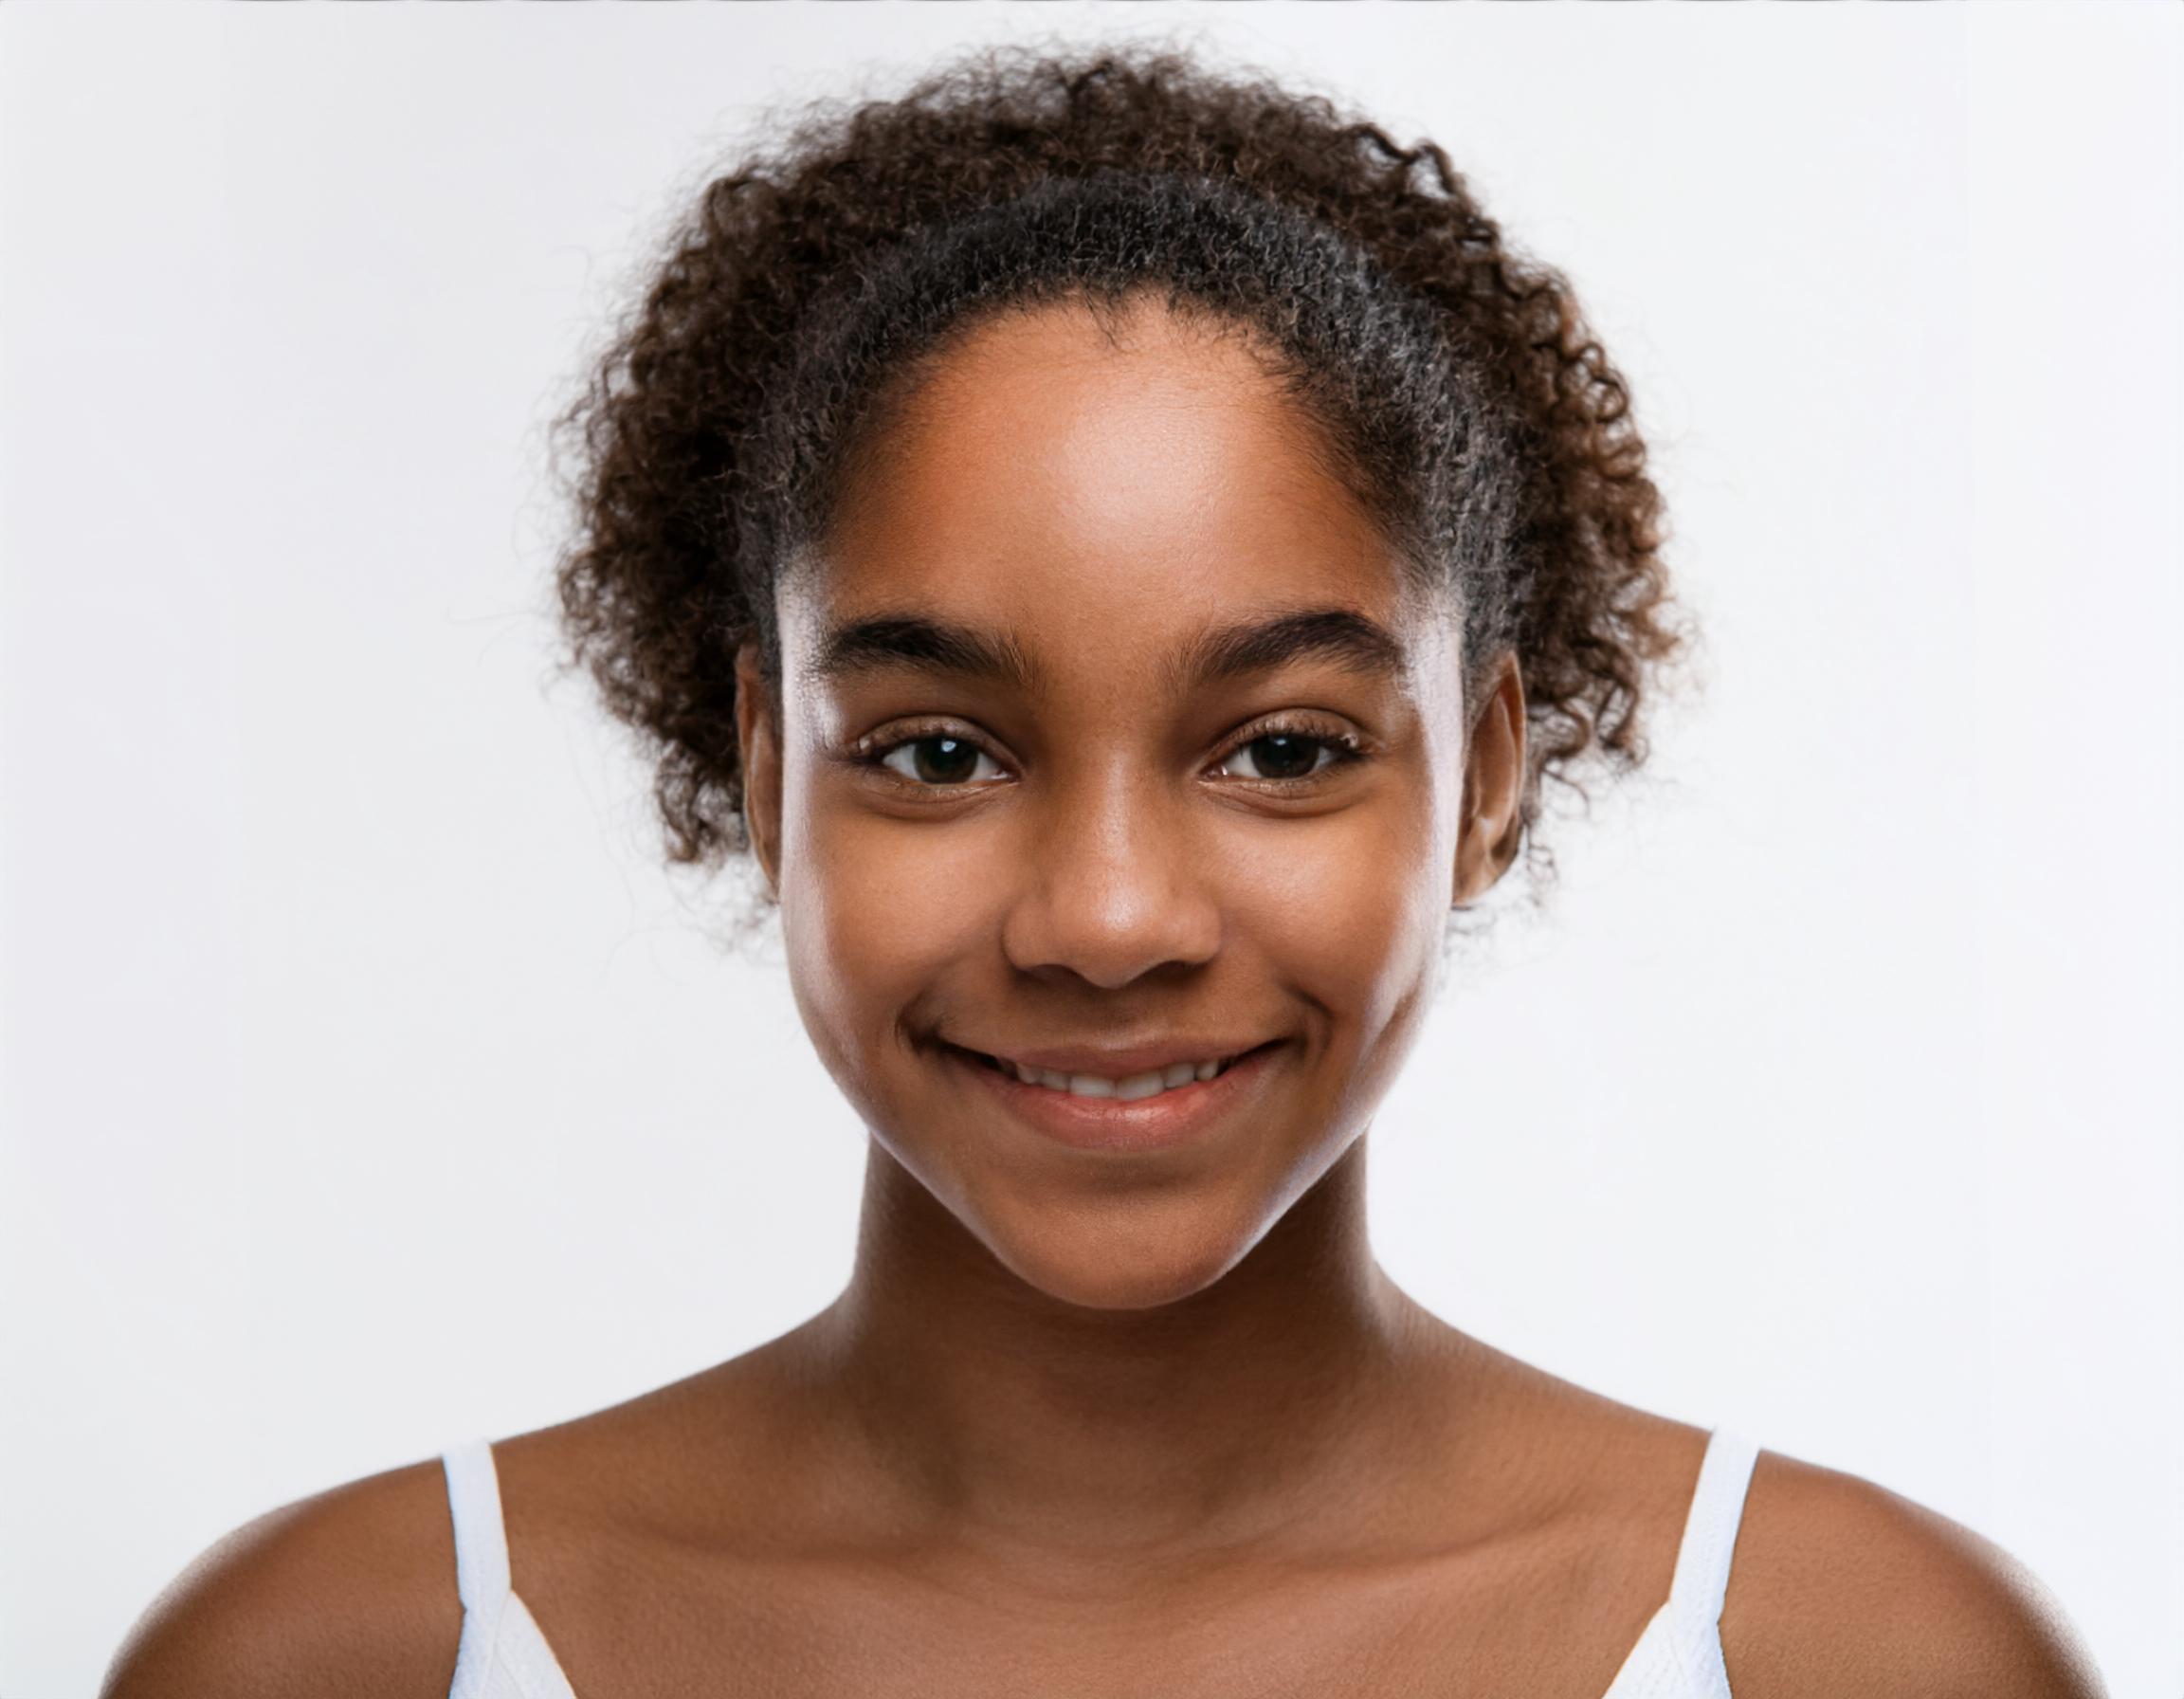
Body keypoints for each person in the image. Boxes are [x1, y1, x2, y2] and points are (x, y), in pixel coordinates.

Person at [104, 41, 2105, 1699]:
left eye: (1285, 748)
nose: (1110, 918)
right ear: (763, 767)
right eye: (941, 751)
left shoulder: (1850, 1652)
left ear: (1485, 774)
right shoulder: (340, 1651)